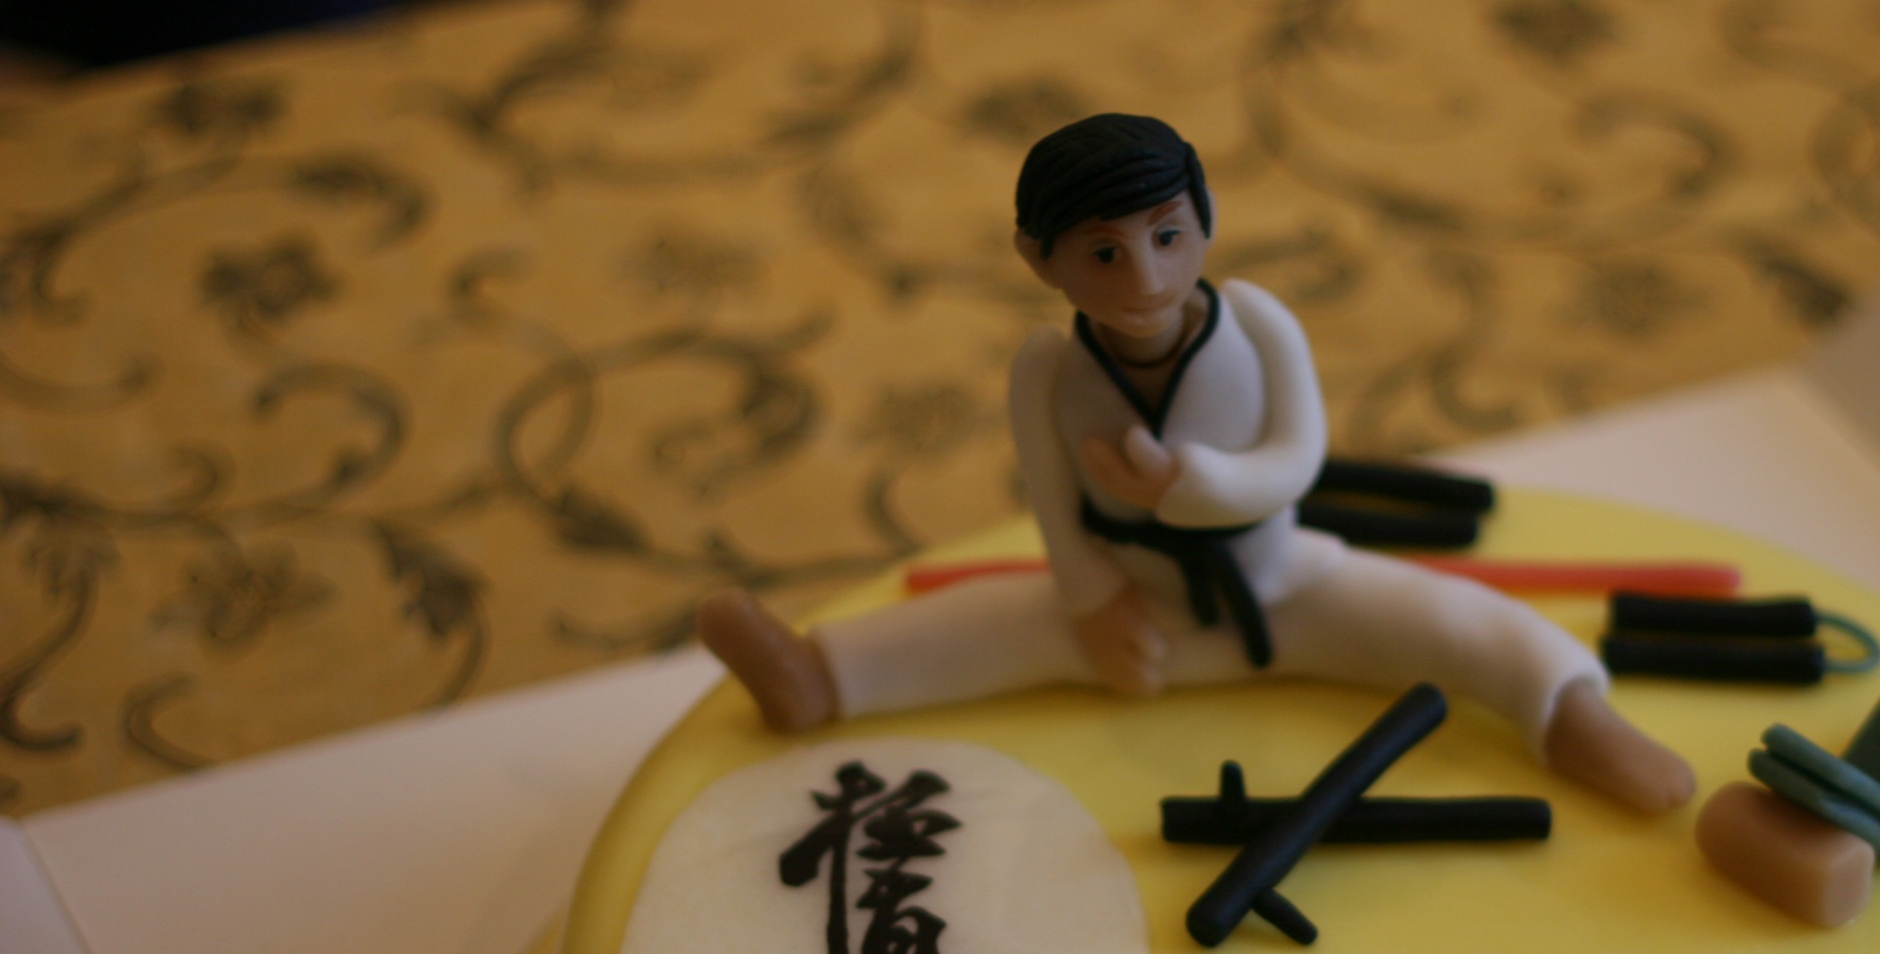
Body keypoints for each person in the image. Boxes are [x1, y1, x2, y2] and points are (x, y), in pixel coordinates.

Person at [699, 114, 1694, 813]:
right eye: (1103, 253)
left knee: (1449, 620)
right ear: (1037, 258)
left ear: (1206, 223)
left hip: (1281, 580)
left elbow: (1298, 458)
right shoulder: (1047, 368)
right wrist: (1094, 600)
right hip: (1125, 603)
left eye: (1167, 236)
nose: (1144, 275)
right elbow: (1051, 500)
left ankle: (1569, 713)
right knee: (982, 624)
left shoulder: (1257, 322)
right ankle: (821, 676)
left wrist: (1193, 488)